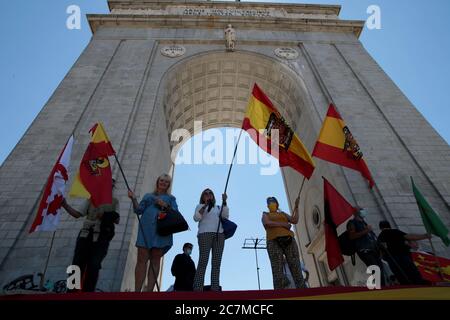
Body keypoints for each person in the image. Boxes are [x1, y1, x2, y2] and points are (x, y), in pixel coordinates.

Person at [62, 179, 120, 292]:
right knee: (77, 264)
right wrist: (65, 205)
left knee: (94, 265)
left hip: (102, 237)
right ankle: (70, 292)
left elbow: (117, 219)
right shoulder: (90, 199)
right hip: (86, 234)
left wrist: (105, 215)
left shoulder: (114, 201)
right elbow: (77, 214)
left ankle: (88, 293)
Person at [128, 174, 178, 292]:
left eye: (166, 182)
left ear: (168, 185)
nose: (163, 183)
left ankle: (149, 291)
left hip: (161, 231)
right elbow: (138, 210)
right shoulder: (148, 196)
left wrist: (164, 205)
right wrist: (133, 198)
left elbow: (175, 213)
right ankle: (137, 291)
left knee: (155, 260)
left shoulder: (171, 198)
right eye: (161, 180)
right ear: (157, 182)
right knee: (141, 259)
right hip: (146, 230)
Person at [262, 196, 305, 289]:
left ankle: (302, 288)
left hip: (289, 239)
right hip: (273, 240)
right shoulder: (265, 214)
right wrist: (283, 224)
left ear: (277, 204)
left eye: (272, 201)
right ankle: (280, 290)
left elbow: (294, 220)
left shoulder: (283, 214)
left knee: (295, 266)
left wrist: (296, 207)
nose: (270, 203)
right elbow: (267, 223)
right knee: (277, 269)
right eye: (268, 202)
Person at [192, 188, 229, 291]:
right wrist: (204, 206)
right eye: (206, 194)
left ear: (213, 196)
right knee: (203, 260)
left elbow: (225, 216)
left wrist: (224, 202)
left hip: (219, 235)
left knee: (216, 262)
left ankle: (215, 288)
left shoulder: (218, 207)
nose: (208, 195)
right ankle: (198, 288)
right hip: (204, 234)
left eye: (210, 193)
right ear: (202, 196)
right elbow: (196, 218)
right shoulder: (199, 206)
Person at [377, 220, 430, 285]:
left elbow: (381, 254)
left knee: (402, 279)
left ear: (380, 228)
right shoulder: (395, 231)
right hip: (403, 257)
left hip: (393, 261)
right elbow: (409, 236)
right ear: (389, 226)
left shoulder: (380, 237)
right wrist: (424, 236)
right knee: (414, 276)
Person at [347, 207, 385, 286]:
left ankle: (383, 287)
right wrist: (366, 231)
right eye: (360, 209)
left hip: (374, 250)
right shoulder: (352, 223)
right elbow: (352, 236)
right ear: (355, 212)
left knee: (381, 270)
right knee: (376, 271)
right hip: (365, 251)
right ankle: (381, 290)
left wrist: (379, 249)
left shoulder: (364, 223)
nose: (363, 210)